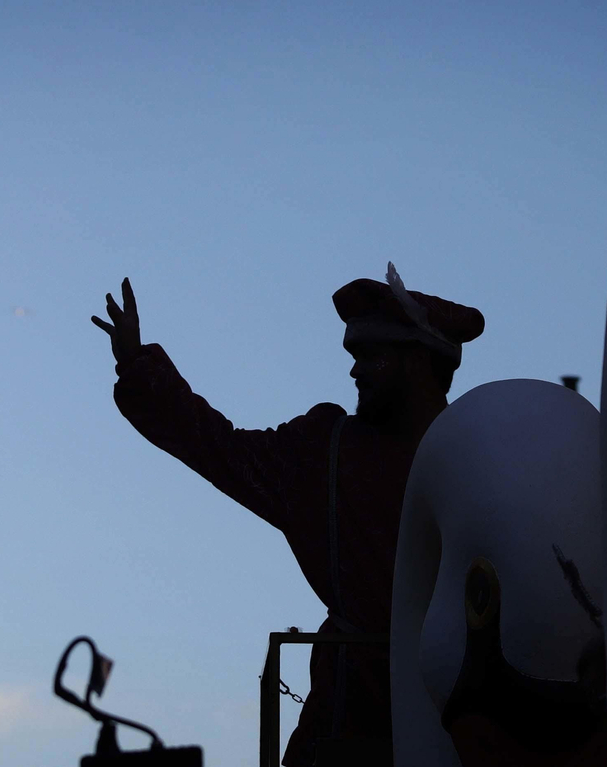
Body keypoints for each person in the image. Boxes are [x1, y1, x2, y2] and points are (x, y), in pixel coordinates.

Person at [92, 265, 484, 767]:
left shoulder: (482, 459)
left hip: (460, 733)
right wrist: (139, 367)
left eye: (373, 356)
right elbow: (219, 448)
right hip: (344, 731)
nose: (355, 370)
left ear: (418, 364)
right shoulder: (325, 451)